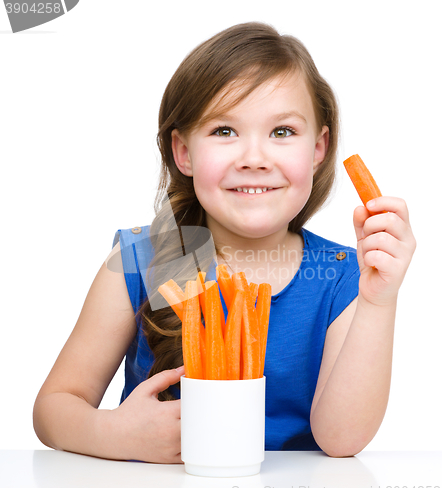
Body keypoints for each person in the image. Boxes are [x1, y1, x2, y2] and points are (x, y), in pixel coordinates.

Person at [33, 22, 416, 463]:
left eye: (283, 132)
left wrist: (379, 301)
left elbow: (341, 440)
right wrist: (110, 434)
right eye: (224, 131)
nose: (254, 159)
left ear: (319, 148)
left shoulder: (344, 276)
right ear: (184, 152)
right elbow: (52, 409)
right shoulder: (137, 261)